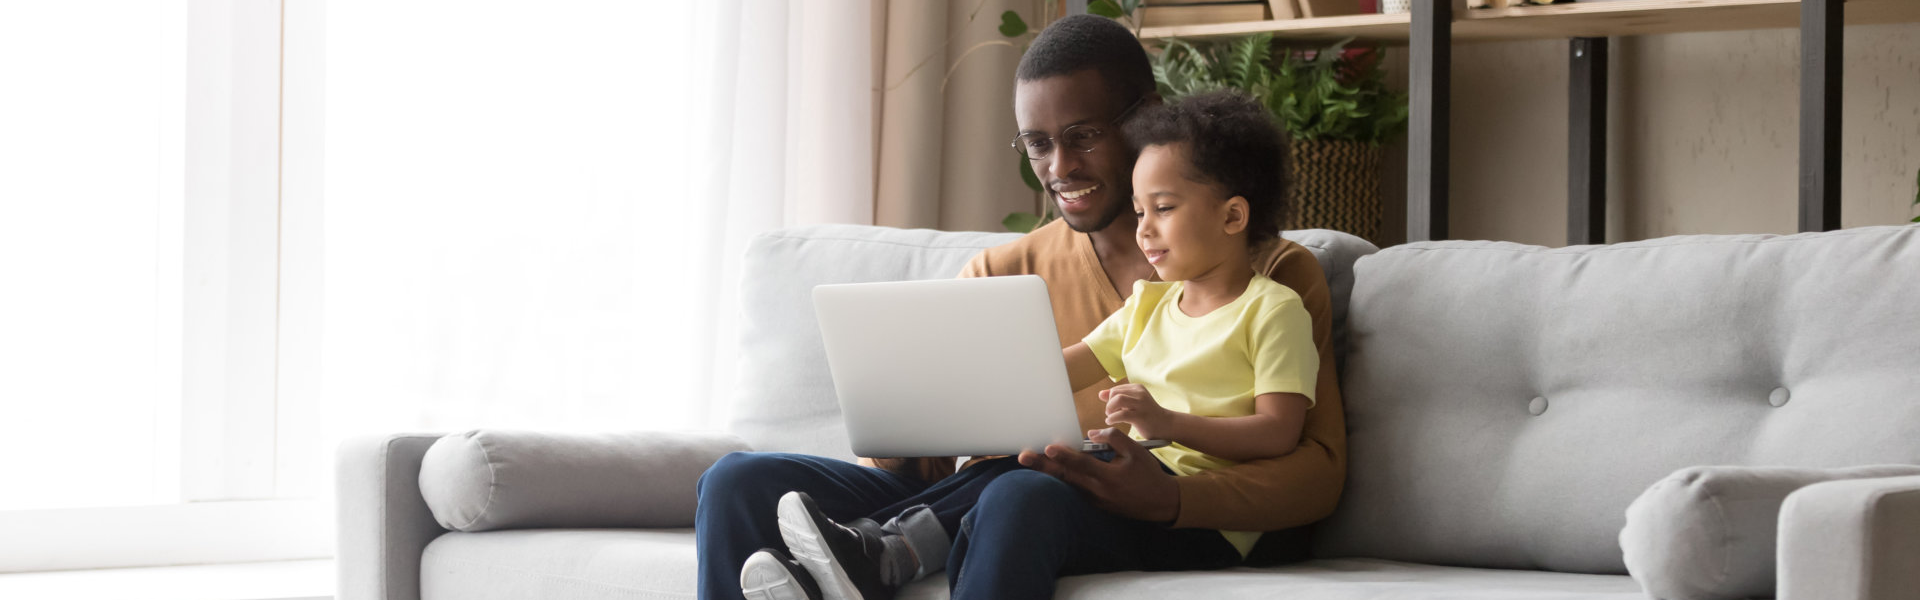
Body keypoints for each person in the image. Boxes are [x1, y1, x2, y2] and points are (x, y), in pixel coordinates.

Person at [700, 14, 1349, 600]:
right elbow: (921, 465)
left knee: (1019, 489)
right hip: (969, 492)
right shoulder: (1000, 272)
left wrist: (1175, 496)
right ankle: (868, 554)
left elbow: (1316, 472)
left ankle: (882, 552)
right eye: (1037, 144)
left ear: (1145, 117)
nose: (1059, 166)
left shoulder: (1273, 275)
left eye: (1083, 135)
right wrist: (907, 411)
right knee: (734, 482)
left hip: (1058, 496)